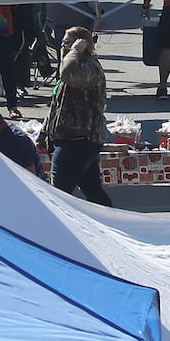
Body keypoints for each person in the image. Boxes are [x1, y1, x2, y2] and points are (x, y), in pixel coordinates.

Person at [39, 26, 111, 206]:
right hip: (68, 138)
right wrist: (43, 134)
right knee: (93, 190)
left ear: (82, 44)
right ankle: (111, 225)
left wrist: (73, 52)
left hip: (79, 141)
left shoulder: (90, 68)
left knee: (60, 193)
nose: (63, 45)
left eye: (67, 42)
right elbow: (58, 105)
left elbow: (68, 72)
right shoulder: (73, 62)